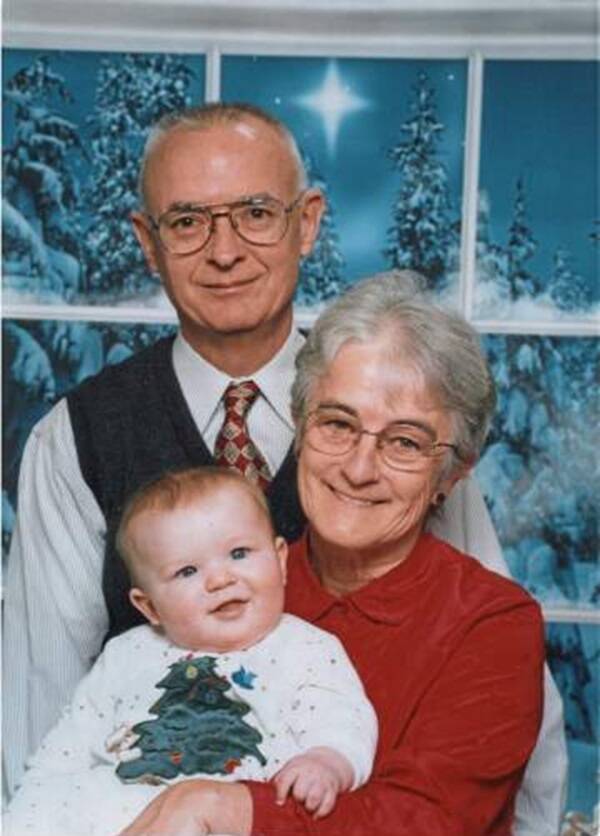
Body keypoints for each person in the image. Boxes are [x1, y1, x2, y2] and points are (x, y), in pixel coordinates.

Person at [2, 103, 566, 832]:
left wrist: (222, 807)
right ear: (148, 242)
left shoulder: (411, 412)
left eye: (256, 214)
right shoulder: (78, 437)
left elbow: (493, 691)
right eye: (187, 221)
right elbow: (43, 716)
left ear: (307, 223)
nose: (225, 252)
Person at [114, 271, 544, 836]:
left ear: (451, 473)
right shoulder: (226, 594)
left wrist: (224, 808)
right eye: (338, 423)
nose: (359, 469)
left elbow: (426, 822)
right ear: (300, 425)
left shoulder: (491, 624)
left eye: (406, 442)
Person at [5, 467, 377, 836]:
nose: (220, 579)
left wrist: (326, 762)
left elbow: (343, 722)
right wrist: (31, 811)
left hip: (226, 810)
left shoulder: (306, 648)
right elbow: (64, 752)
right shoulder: (126, 655)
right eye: (187, 571)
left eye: (239, 553)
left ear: (280, 560)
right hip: (113, 810)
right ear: (149, 606)